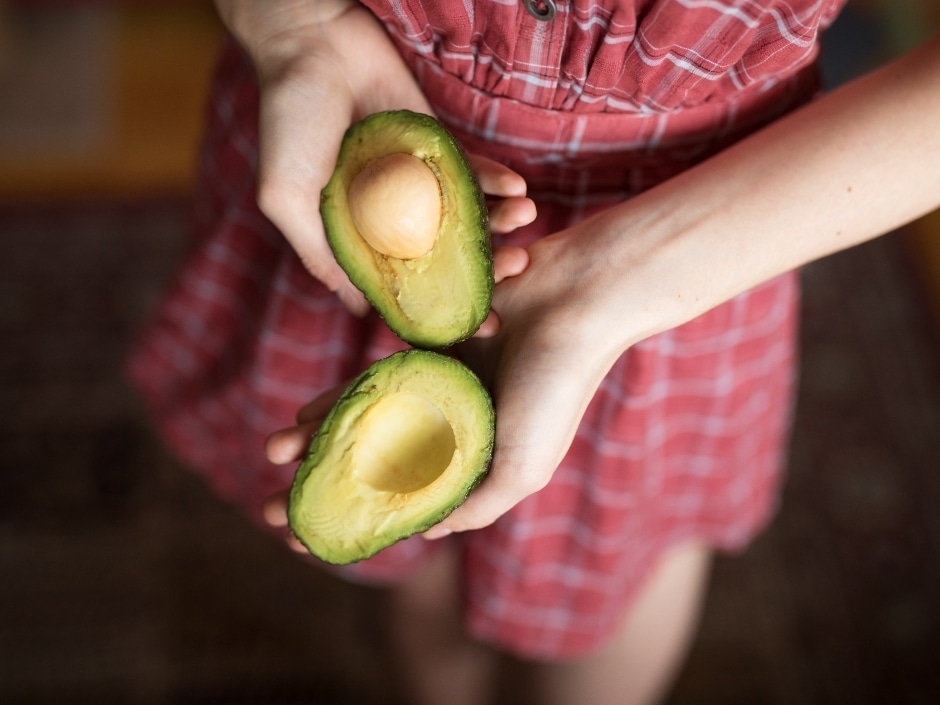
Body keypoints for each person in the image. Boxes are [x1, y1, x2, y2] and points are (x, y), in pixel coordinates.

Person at [128, 1, 940, 703]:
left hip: (708, 228)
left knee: (621, 571)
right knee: (421, 584)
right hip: (349, 116)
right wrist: (295, 26)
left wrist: (617, 282)